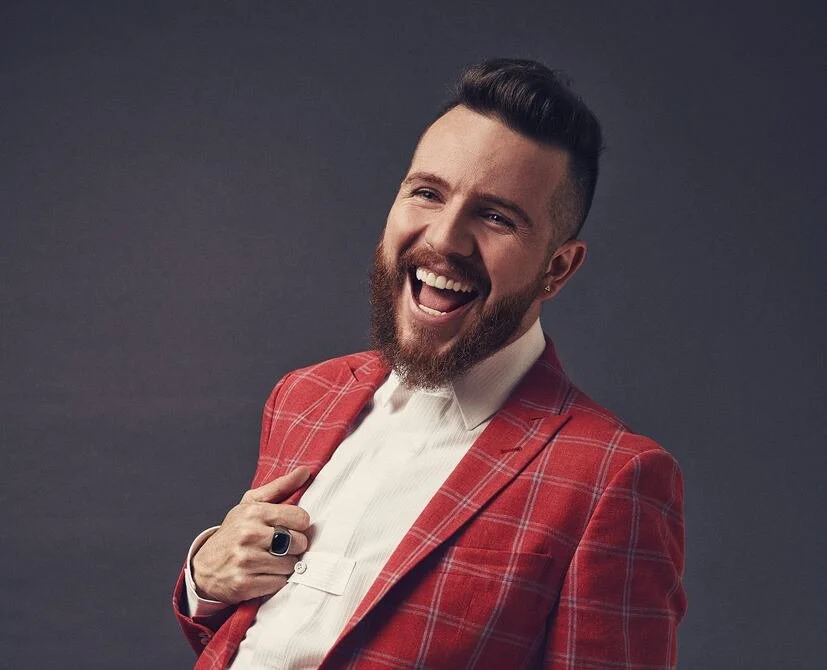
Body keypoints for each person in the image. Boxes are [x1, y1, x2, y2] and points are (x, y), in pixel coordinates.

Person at [173, 58, 687, 669]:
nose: (444, 239)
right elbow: (256, 638)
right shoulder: (305, 396)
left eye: (497, 217)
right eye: (427, 193)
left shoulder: (612, 480)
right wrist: (206, 578)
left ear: (557, 268)